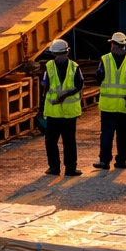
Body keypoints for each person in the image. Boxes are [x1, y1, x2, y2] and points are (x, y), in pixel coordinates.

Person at [94, 31, 126, 170]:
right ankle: (121, 161)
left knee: (107, 134)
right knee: (123, 135)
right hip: (125, 104)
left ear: (113, 44)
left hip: (108, 105)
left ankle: (104, 161)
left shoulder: (105, 59)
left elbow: (99, 76)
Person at [41, 39, 83, 177]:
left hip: (54, 112)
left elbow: (45, 87)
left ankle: (54, 168)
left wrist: (42, 105)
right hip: (69, 113)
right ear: (67, 51)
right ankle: (70, 169)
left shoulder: (49, 67)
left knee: (51, 141)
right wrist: (65, 96)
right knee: (69, 142)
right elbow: (79, 85)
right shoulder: (74, 67)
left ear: (53, 53)